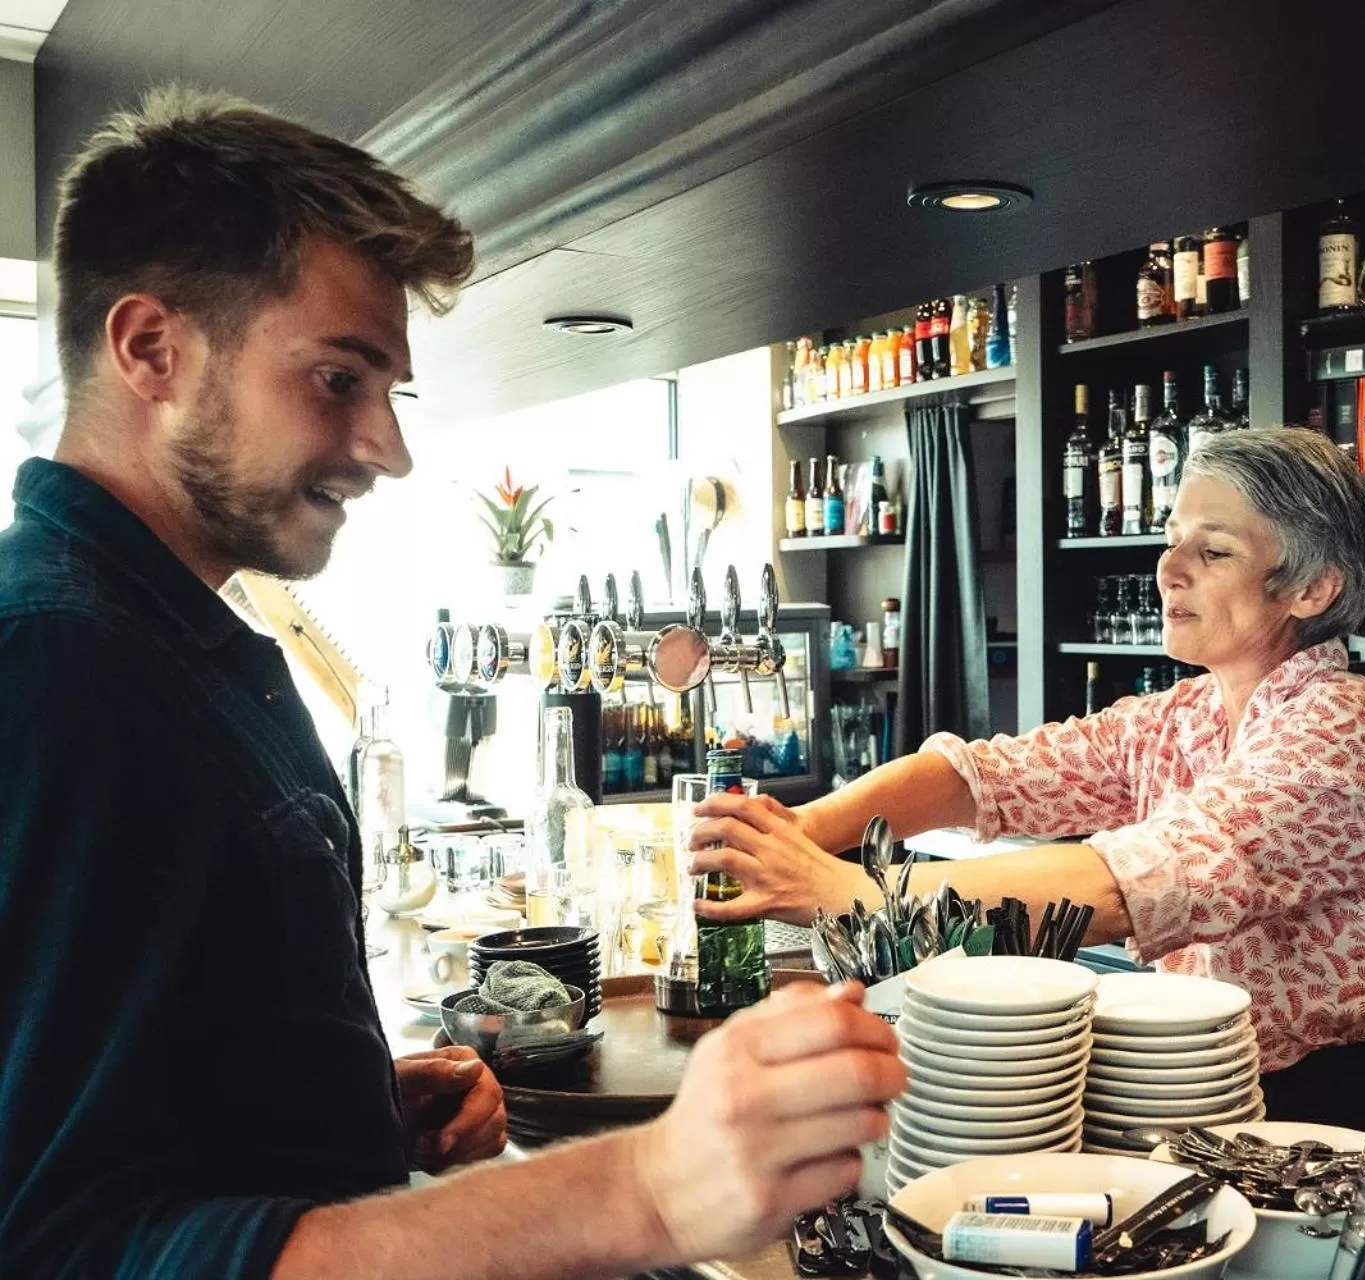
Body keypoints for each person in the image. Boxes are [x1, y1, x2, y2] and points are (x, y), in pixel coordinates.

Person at [0, 88, 904, 1278]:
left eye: (391, 392)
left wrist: (345, 1105)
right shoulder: (66, 660)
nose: (390, 446)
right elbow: (69, 1247)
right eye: (338, 378)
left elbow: (146, 1116)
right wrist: (644, 1186)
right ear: (151, 349)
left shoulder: (170, 634)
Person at [692, 428, 1365, 1129]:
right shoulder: (1189, 713)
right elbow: (979, 778)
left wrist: (843, 892)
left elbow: (1119, 888)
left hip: (1345, 1120)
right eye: (1171, 539)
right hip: (1219, 1093)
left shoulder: (1342, 730)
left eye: (1213, 552)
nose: (1167, 568)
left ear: (1311, 589)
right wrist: (799, 832)